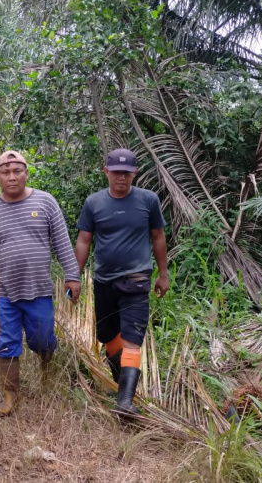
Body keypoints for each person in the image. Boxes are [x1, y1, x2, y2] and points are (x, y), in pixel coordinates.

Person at [74, 148, 169, 415]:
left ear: (135, 173)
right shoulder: (94, 203)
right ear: (106, 172)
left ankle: (125, 402)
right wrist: (74, 276)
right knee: (108, 338)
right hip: (104, 281)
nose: (122, 178)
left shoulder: (148, 200)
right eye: (117, 172)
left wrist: (163, 274)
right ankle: (121, 385)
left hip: (137, 280)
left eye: (127, 173)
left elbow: (158, 237)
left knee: (132, 339)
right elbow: (84, 240)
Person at [0, 150, 81, 415]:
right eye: (5, 172)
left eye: (17, 171)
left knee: (42, 339)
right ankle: (10, 395)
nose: (12, 177)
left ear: (27, 173)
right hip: (3, 290)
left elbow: (62, 243)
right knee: (5, 342)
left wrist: (72, 275)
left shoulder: (46, 202)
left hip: (39, 288)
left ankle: (47, 375)